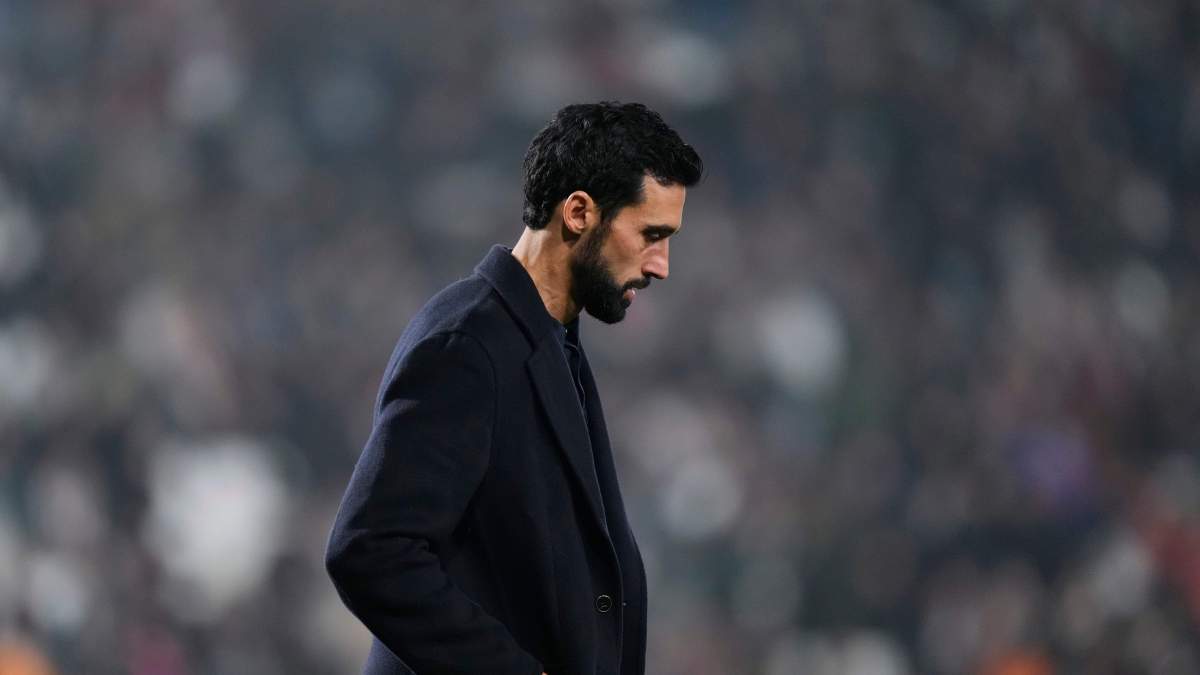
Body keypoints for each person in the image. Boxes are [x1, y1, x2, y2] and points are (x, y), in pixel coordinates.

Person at [325, 101, 703, 675]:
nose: (661, 265)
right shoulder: (467, 346)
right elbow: (372, 551)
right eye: (651, 234)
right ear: (578, 212)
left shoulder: (549, 340)